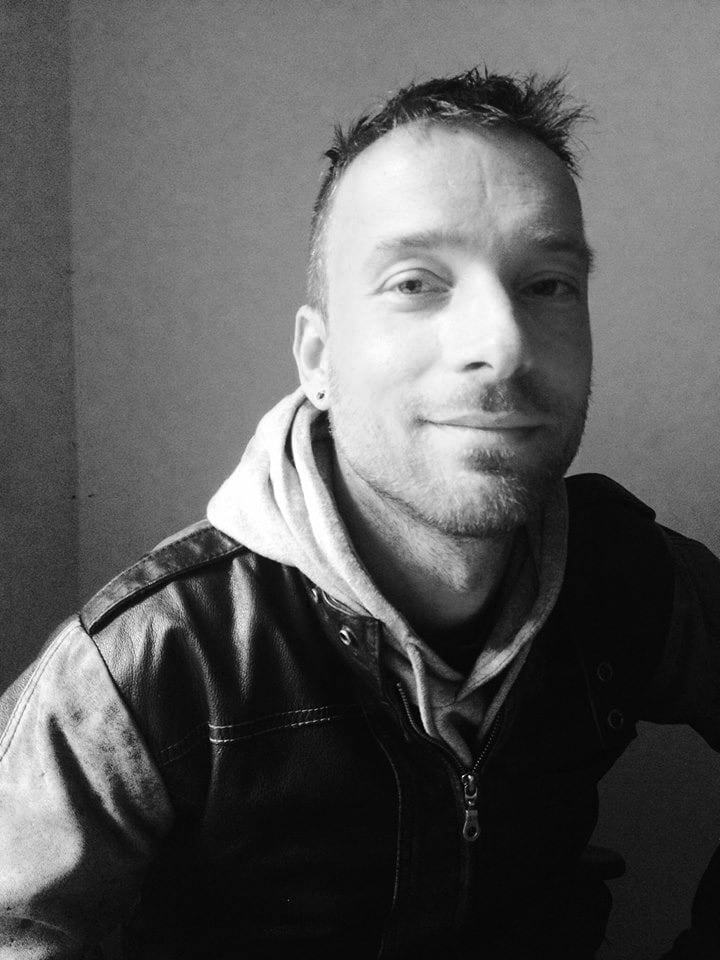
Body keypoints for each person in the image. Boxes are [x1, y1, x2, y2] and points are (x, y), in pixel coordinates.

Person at [1, 67, 719, 960]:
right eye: (415, 282)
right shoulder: (146, 664)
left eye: (548, 285)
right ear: (318, 359)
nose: (502, 344)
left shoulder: (631, 575)